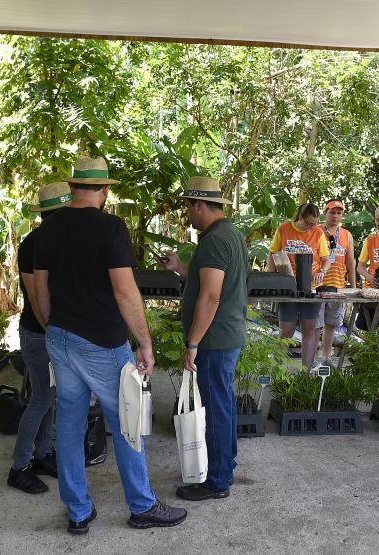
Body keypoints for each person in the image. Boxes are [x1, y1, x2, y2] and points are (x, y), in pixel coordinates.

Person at [33, 156, 187, 533]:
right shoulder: (110, 228)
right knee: (126, 422)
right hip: (102, 341)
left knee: (68, 424)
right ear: (104, 191)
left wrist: (54, 328)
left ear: (72, 188)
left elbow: (40, 289)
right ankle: (141, 505)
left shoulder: (45, 232)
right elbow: (124, 290)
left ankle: (78, 511)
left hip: (60, 338)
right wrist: (144, 342)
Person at [162, 176, 247, 502]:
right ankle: (225, 465)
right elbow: (211, 280)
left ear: (199, 205)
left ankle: (217, 481)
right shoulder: (229, 234)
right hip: (227, 334)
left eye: (188, 206)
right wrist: (182, 268)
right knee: (223, 403)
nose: (187, 213)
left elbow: (210, 296)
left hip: (214, 339)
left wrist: (193, 343)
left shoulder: (214, 240)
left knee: (216, 407)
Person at [6, 182, 71, 495]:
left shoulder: (56, 240)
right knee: (42, 398)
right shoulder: (34, 244)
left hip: (51, 333)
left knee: (51, 396)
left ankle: (42, 456)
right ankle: (18, 467)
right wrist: (54, 334)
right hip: (38, 333)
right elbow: (35, 297)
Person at [267, 203, 331, 371]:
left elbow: (326, 259)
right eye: (309, 223)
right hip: (288, 287)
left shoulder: (318, 233)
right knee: (286, 330)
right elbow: (273, 253)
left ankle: (306, 375)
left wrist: (322, 271)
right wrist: (272, 277)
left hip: (312, 287)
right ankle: (277, 371)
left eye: (315, 223)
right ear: (300, 218)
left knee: (309, 329)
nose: (312, 227)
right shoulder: (284, 228)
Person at [316, 199, 356, 365]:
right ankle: (312, 357)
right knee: (316, 323)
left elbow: (351, 263)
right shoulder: (316, 231)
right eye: (332, 212)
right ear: (325, 213)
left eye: (339, 213)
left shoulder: (346, 235)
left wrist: (353, 288)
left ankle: (326, 357)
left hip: (338, 285)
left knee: (332, 323)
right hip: (317, 284)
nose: (335, 215)